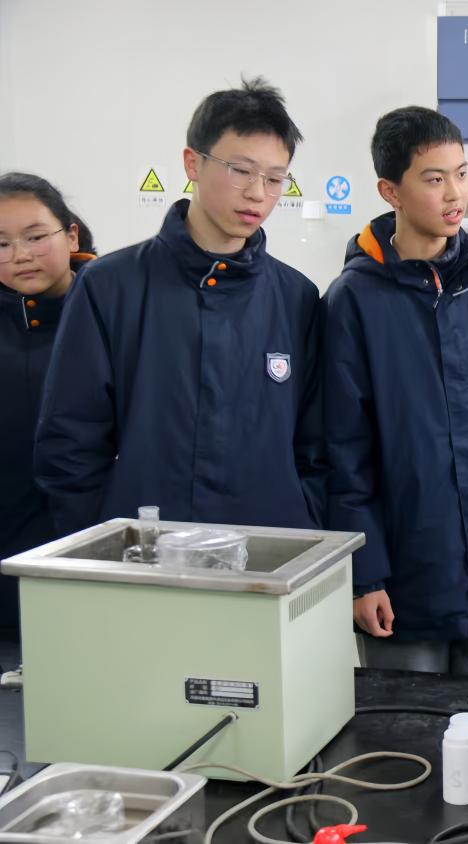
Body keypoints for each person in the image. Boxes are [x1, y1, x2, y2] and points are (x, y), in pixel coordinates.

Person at [325, 107, 468, 677]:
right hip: (407, 577)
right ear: (391, 191)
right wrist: (364, 574)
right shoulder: (353, 301)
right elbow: (341, 450)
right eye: (434, 179)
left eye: (461, 173)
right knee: (406, 723)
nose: (455, 193)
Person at [34, 77, 325, 534]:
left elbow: (316, 446)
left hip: (268, 552)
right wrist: (102, 540)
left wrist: (299, 518)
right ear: (193, 163)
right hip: (143, 553)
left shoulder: (297, 298)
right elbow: (71, 441)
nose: (257, 193)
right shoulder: (110, 287)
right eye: (241, 170)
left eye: (274, 179)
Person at [0, 173, 96, 632]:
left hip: (91, 553)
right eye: (1, 244)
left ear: (71, 235)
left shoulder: (112, 313)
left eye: (35, 237)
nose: (19, 255)